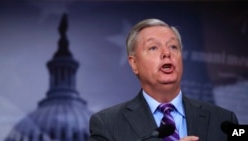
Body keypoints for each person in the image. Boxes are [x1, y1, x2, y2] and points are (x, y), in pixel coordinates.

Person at [88, 18, 238, 141]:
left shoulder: (223, 120)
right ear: (134, 63)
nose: (167, 53)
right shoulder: (108, 124)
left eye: (173, 46)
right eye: (154, 47)